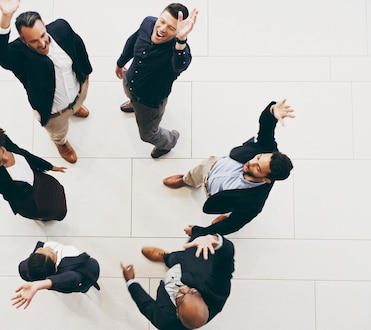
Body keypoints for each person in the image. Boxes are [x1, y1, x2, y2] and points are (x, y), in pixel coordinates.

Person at [163, 99, 295, 235]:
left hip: (217, 194)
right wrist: (272, 111)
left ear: (266, 180)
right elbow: (266, 125)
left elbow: (232, 225)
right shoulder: (267, 148)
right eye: (258, 157)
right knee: (198, 171)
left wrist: (199, 231)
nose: (251, 162)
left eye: (258, 168)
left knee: (231, 211)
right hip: (213, 165)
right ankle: (187, 180)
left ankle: (224, 212)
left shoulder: (253, 203)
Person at [0, 0, 92, 164]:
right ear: (23, 40)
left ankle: (75, 107)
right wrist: (6, 16)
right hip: (54, 112)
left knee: (78, 101)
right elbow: (1, 53)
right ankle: (61, 143)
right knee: (58, 131)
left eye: (43, 35)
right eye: (33, 41)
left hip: (78, 90)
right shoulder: (19, 55)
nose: (42, 43)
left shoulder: (60, 27)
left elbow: (78, 45)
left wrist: (86, 73)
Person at [115, 3, 199, 158]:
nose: (161, 29)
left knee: (147, 134)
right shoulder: (148, 23)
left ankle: (170, 141)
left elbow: (181, 65)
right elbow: (132, 41)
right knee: (129, 93)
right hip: (130, 80)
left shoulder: (178, 51)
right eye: (162, 21)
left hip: (149, 102)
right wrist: (120, 63)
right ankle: (133, 103)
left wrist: (181, 40)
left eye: (171, 28)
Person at [121, 232, 234, 329]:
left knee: (175, 266)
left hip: (173, 276)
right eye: (193, 291)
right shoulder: (218, 292)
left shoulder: (164, 322)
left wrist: (130, 281)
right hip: (190, 264)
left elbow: (145, 304)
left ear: (177, 313)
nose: (184, 287)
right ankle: (166, 257)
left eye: (180, 297)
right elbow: (226, 262)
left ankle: (168, 259)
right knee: (176, 258)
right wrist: (215, 240)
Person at [12, 241, 100, 309]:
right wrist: (38, 285)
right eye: (51, 252)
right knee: (83, 287)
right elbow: (73, 278)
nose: (48, 247)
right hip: (88, 272)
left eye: (41, 249)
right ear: (55, 267)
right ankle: (84, 290)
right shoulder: (71, 255)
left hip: (57, 282)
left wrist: (37, 283)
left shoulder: (36, 265)